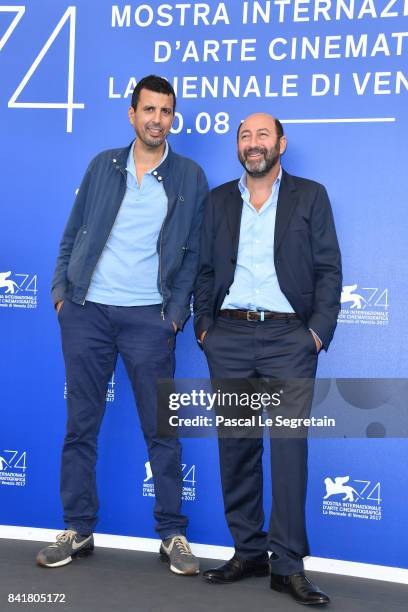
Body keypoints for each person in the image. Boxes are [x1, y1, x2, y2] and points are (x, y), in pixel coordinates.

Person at [36, 75, 208, 575]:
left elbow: (194, 252)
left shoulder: (188, 175)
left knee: (162, 430)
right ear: (132, 113)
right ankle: (78, 527)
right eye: (149, 109)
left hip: (149, 321)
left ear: (172, 118)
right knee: (80, 425)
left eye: (166, 111)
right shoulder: (102, 165)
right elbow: (73, 233)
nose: (157, 119)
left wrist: (175, 315)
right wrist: (62, 294)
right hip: (87, 312)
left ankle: (172, 533)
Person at [194, 113, 342, 604]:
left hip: (288, 339)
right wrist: (205, 328)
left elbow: (328, 270)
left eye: (262, 135)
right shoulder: (218, 200)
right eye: (244, 136)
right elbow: (204, 269)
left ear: (281, 143)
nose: (253, 144)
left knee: (287, 450)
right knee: (236, 448)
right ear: (238, 147)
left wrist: (316, 335)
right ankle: (248, 551)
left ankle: (288, 565)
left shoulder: (311, 195)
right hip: (229, 336)